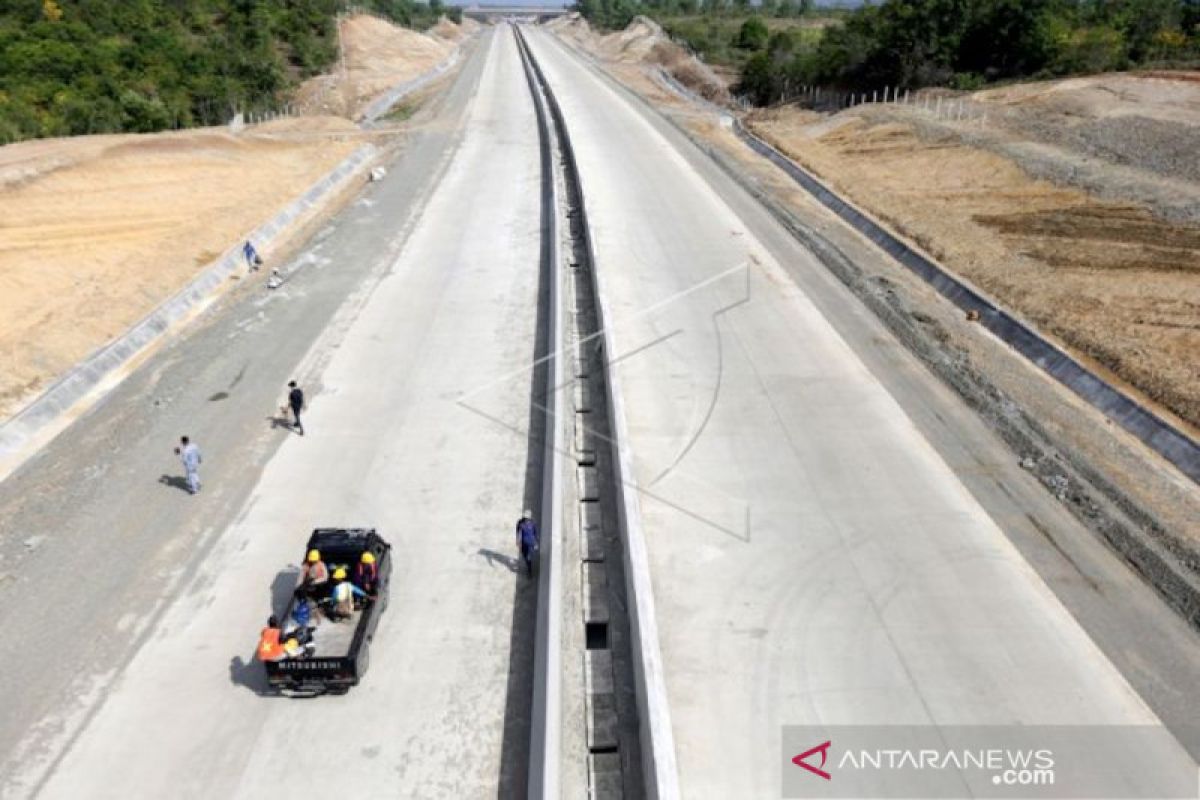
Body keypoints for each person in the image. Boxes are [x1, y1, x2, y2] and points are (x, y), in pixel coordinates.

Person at [516, 510, 539, 577]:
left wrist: (536, 543)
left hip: (530, 543)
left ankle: (529, 571)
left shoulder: (533, 523)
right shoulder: (520, 523)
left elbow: (536, 533)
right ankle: (528, 563)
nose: (526, 519)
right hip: (523, 543)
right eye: (525, 518)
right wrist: (518, 541)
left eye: (527, 518)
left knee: (528, 558)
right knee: (524, 555)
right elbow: (518, 532)